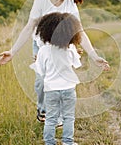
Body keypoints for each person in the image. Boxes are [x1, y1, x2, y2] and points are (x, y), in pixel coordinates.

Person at [0, 0, 110, 122]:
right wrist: (12, 51)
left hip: (62, 47)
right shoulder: (41, 0)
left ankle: (58, 115)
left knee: (62, 81)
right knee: (41, 81)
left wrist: (94, 56)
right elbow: (30, 27)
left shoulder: (70, 4)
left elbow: (80, 32)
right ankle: (42, 109)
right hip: (42, 46)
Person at [30, 12, 83, 145]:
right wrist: (77, 55)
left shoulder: (43, 50)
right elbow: (76, 64)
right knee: (69, 117)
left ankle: (49, 142)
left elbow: (40, 71)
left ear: (45, 31)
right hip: (69, 88)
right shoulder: (70, 48)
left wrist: (37, 61)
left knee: (51, 119)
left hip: (51, 89)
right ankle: (68, 142)